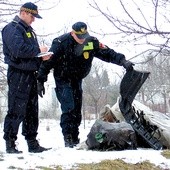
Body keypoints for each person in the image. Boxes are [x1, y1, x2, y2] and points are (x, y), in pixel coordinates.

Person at [37, 21, 134, 148]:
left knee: (77, 109)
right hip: (63, 79)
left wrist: (122, 61)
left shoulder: (91, 42)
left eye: (84, 36)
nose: (82, 40)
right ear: (72, 33)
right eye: (79, 37)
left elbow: (107, 53)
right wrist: (40, 80)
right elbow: (48, 62)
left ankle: (75, 137)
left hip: (77, 79)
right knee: (68, 107)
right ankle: (68, 138)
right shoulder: (61, 43)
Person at [1, 2, 52, 153]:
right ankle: (10, 143)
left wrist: (42, 57)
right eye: (32, 16)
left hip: (31, 74)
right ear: (23, 12)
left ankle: (32, 142)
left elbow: (30, 54)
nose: (33, 19)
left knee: (31, 110)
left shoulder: (28, 30)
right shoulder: (12, 28)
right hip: (18, 74)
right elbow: (18, 50)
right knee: (16, 109)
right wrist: (38, 50)